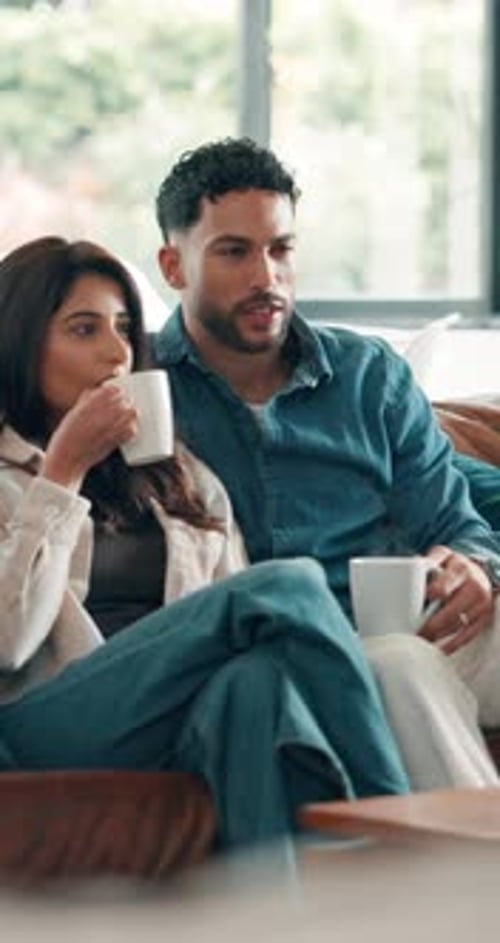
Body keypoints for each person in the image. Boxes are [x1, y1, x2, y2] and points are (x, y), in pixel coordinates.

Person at [0, 236, 410, 866]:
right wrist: (62, 475)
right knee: (287, 585)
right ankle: (398, 829)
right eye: (84, 329)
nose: (116, 352)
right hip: (41, 720)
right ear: (21, 342)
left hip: (167, 709)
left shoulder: (176, 475)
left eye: (124, 329)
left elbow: (235, 615)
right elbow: (9, 644)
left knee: (254, 684)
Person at [153, 136, 500, 790]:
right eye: (234, 252)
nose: (266, 277)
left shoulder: (369, 375)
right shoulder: (140, 389)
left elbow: (456, 522)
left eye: (280, 249)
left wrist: (475, 566)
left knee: (413, 650)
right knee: (399, 664)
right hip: (292, 654)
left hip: (422, 622)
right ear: (174, 265)